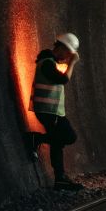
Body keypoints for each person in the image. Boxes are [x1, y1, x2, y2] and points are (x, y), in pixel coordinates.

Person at [29, 32, 82, 190]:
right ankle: (35, 138)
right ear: (61, 47)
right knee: (69, 136)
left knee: (58, 142)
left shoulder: (50, 62)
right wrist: (72, 63)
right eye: (67, 52)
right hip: (47, 111)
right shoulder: (47, 63)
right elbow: (63, 79)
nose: (67, 56)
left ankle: (60, 179)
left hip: (52, 111)